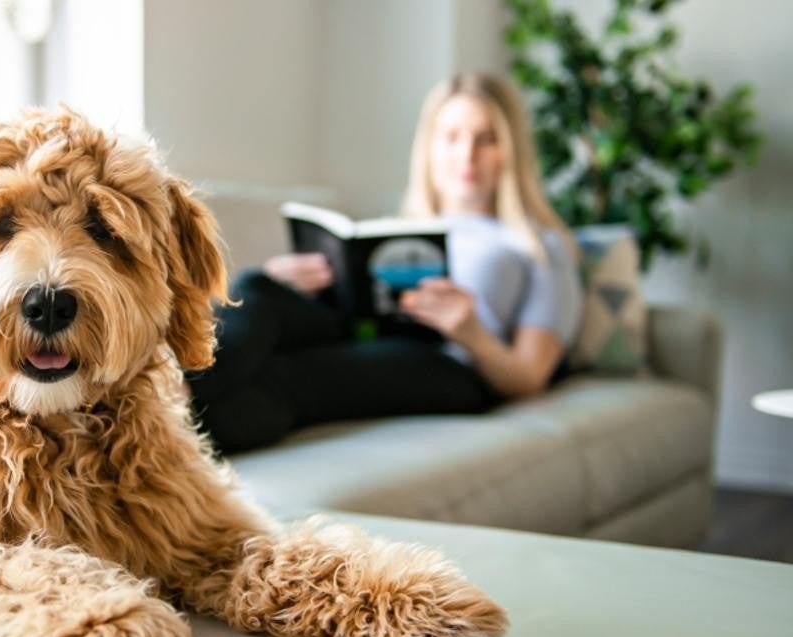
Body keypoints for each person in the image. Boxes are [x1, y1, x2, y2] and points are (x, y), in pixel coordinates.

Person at [188, 73, 582, 454]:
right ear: (429, 148)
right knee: (258, 287)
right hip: (365, 330)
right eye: (451, 138)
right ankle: (174, 395)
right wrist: (300, 284)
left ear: (511, 151)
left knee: (292, 376)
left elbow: (530, 377)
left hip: (451, 364)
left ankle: (165, 423)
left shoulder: (540, 246)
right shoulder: (404, 227)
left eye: (487, 139)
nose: (467, 155)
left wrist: (471, 332)